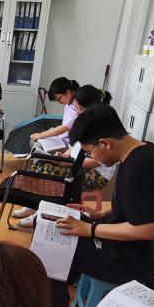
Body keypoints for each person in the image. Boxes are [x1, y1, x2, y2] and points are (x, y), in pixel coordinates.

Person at [42, 105, 154, 307]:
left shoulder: (138, 167)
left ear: (105, 143)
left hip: (138, 259)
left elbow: (149, 228)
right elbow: (137, 208)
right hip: (131, 245)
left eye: (89, 152)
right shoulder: (140, 152)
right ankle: (59, 299)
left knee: (53, 247)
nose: (92, 158)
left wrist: (91, 229)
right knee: (58, 226)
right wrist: (98, 214)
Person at [15, 81, 113, 230]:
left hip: (96, 174)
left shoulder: (100, 126)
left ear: (92, 108)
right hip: (78, 165)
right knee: (40, 163)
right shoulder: (86, 122)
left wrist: (71, 163)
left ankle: (39, 214)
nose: (77, 112)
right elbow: (74, 147)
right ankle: (35, 208)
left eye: (80, 109)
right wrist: (65, 156)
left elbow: (96, 162)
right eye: (76, 107)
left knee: (46, 170)